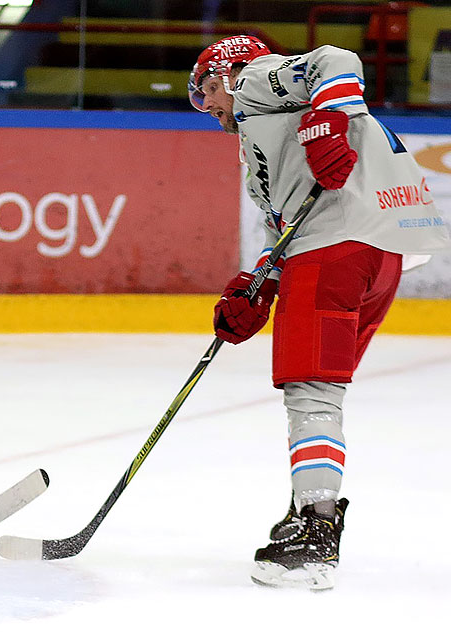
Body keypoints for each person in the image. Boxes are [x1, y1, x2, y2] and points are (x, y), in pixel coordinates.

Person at [188, 35, 450, 589]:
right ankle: (306, 509)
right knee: (321, 389)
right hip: (381, 256)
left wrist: (330, 113)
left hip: (335, 249)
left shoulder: (255, 80)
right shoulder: (267, 132)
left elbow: (337, 60)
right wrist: (260, 283)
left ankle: (315, 530)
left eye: (209, 88)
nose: (208, 105)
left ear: (230, 73)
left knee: (312, 391)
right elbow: (284, 225)